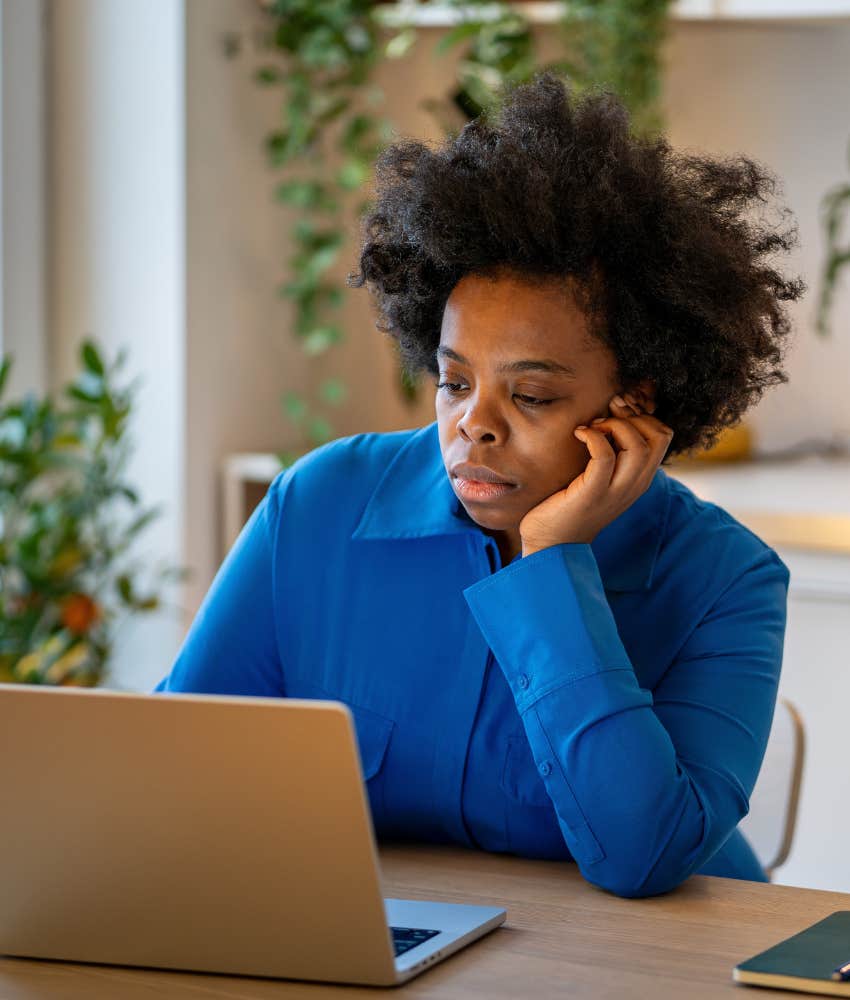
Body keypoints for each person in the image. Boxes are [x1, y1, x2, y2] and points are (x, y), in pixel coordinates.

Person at [154, 72, 805, 898]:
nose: (475, 426)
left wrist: (551, 565)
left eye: (530, 395)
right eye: (456, 382)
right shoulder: (317, 507)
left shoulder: (726, 581)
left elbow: (644, 857)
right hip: (392, 950)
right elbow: (179, 778)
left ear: (635, 402)